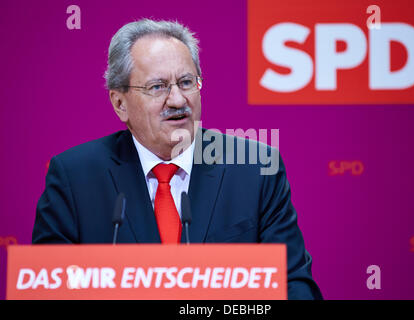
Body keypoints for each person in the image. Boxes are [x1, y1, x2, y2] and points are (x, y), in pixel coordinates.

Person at [32, 18, 322, 300]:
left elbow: (292, 283)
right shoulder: (75, 177)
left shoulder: (254, 168)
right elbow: (49, 290)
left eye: (186, 82)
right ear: (120, 103)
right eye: (157, 87)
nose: (177, 100)